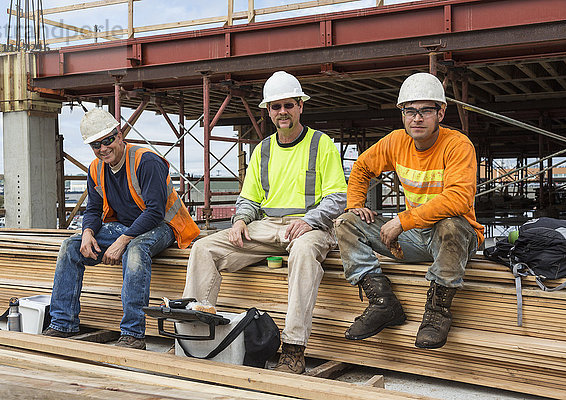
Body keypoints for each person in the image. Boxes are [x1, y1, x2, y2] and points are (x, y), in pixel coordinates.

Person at [183, 71, 347, 373]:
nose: (282, 112)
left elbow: (338, 197)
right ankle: (191, 335)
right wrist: (241, 220)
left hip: (312, 228)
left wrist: (310, 221)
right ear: (268, 111)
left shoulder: (321, 144)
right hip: (268, 225)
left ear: (300, 106)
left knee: (302, 253)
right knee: (204, 248)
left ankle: (294, 348)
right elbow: (249, 198)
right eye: (275, 107)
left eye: (288, 105)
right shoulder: (264, 150)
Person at [335, 72, 484, 349]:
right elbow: (361, 168)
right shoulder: (395, 142)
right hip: (415, 239)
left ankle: (437, 313)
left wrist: (402, 221)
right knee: (346, 222)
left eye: (426, 110)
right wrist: (356, 205)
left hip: (456, 239)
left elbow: (459, 198)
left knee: (450, 223)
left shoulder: (457, 145)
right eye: (409, 111)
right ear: (402, 114)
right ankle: (383, 303)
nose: (417, 118)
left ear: (440, 112)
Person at [43, 108, 199, 349]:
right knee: (70, 246)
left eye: (107, 141)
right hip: (126, 227)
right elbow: (94, 210)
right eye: (96, 145)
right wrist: (87, 233)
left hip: (165, 226)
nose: (103, 149)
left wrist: (122, 240)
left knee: (135, 250)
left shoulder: (146, 161)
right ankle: (63, 323)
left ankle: (133, 334)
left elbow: (155, 211)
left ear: (119, 135)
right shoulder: (95, 169)